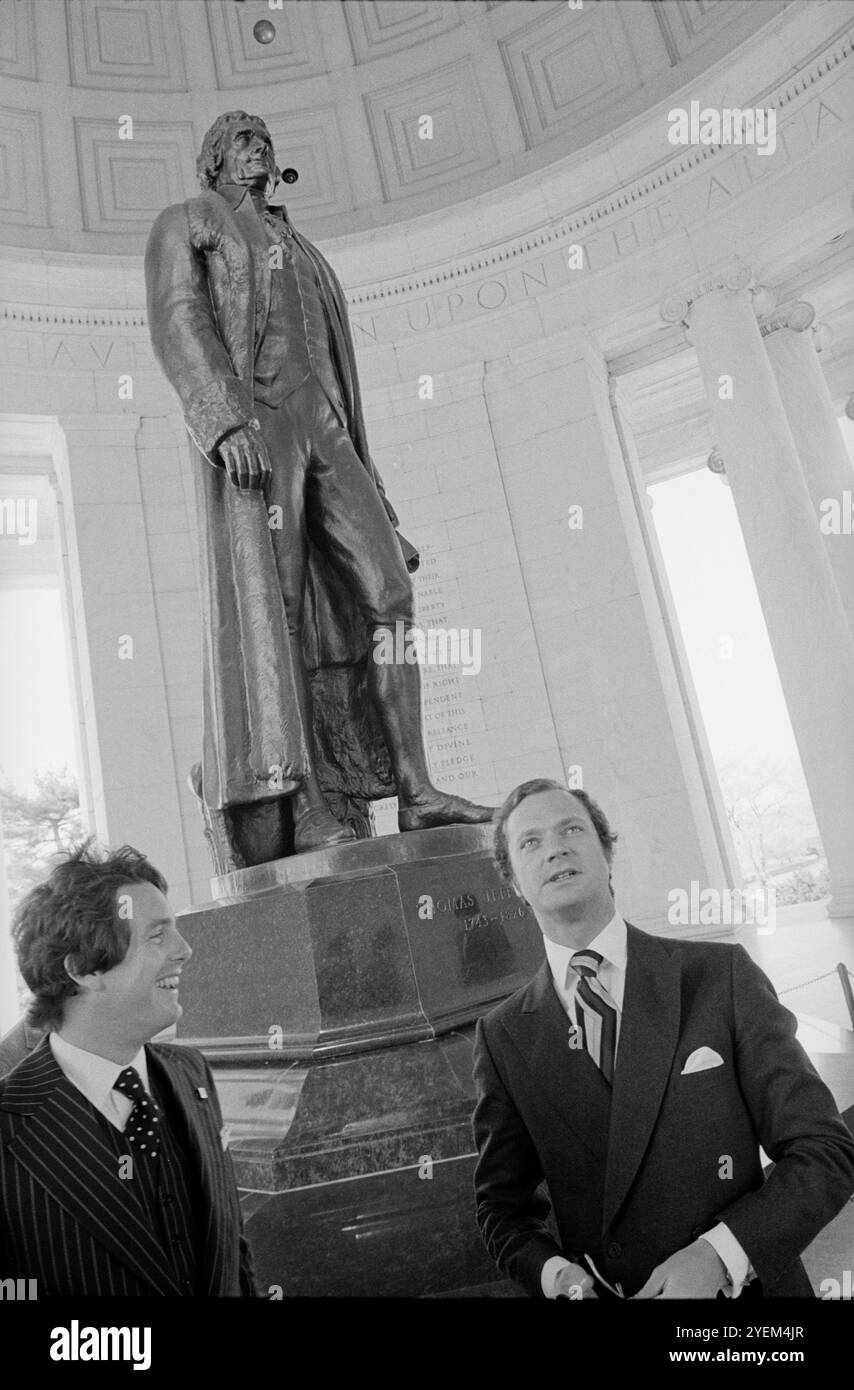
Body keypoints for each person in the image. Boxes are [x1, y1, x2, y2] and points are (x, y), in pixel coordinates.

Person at [144, 110, 493, 864]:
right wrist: (222, 417)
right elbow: (178, 320)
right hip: (260, 423)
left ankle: (417, 789)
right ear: (212, 161)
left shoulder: (304, 249)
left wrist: (384, 501)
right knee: (281, 613)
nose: (257, 145)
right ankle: (303, 804)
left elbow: (337, 369)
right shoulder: (188, 224)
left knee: (389, 589)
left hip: (328, 429)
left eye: (264, 137)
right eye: (240, 139)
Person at [472, 778, 854, 1299]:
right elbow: (502, 1206)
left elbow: (824, 1150)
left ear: (608, 854)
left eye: (571, 829)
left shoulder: (720, 976)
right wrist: (554, 1274)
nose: (555, 847)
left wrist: (720, 1256)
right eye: (530, 842)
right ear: (514, 881)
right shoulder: (502, 1034)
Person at [0, 843, 256, 1296]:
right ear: (83, 969)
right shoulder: (7, 1125)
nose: (185, 951)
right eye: (157, 936)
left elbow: (234, 1252)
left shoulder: (191, 1074)